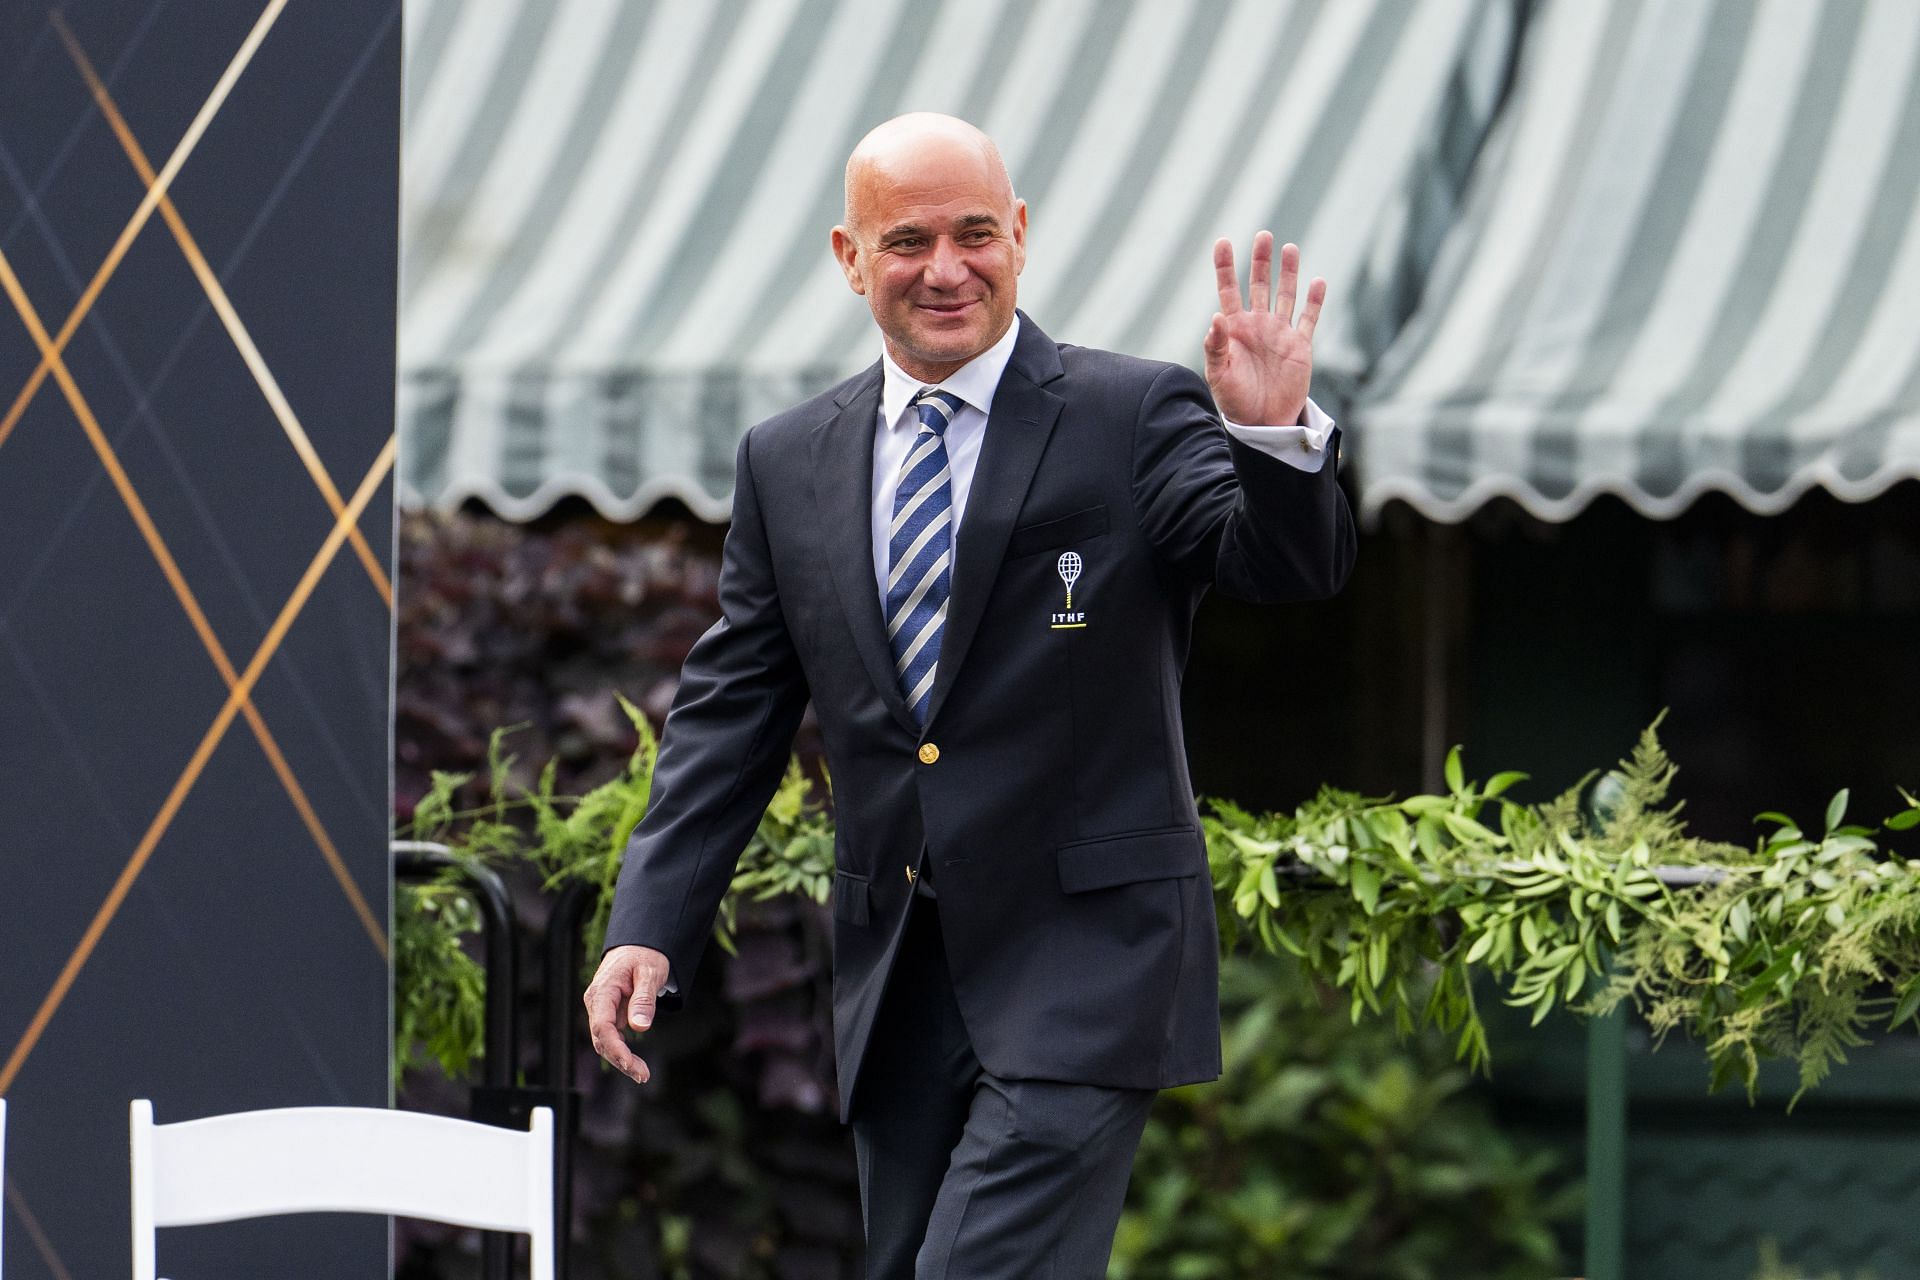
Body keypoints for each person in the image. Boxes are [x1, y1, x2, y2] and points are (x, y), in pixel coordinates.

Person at [585, 112, 1355, 1278]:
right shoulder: (787, 459)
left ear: (1022, 237)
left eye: (976, 233)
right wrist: (650, 919)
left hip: (1088, 965)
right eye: (908, 241)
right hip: (897, 976)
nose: (947, 268)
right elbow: (730, 714)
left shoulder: (1131, 412)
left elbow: (1281, 566)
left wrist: (1272, 440)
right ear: (850, 258)